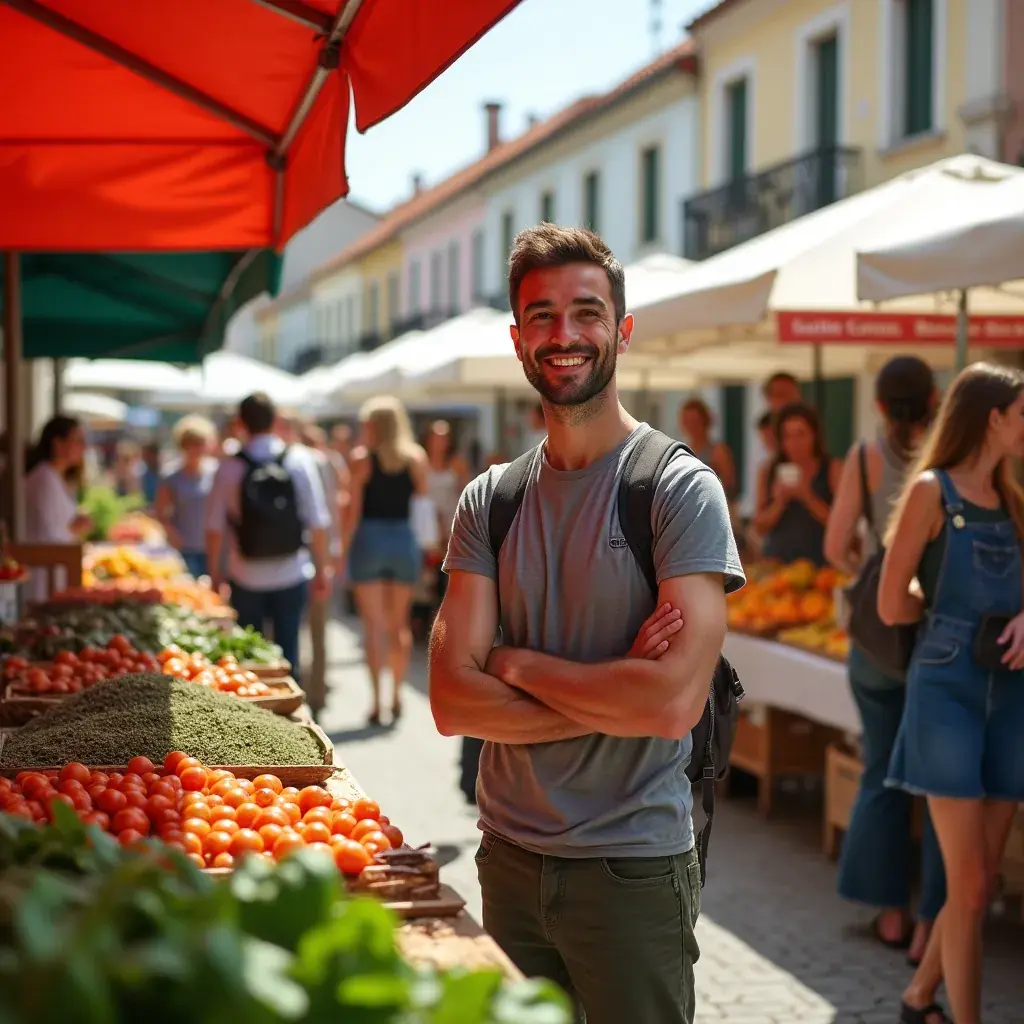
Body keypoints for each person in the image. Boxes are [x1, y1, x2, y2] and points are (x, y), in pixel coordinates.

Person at [429, 224, 744, 1024]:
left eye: (586, 313)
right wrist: (616, 689)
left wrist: (514, 662)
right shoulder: (489, 501)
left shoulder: (678, 490)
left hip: (632, 869)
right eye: (541, 316)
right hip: (507, 860)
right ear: (517, 339)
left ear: (622, 331)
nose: (563, 334)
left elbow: (671, 706)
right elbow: (452, 703)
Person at [879, 363, 1024, 1024]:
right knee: (967, 888)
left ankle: (918, 998)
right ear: (993, 418)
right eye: (1021, 414)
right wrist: (951, 623)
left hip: (1011, 696)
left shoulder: (1013, 499)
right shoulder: (931, 492)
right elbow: (891, 604)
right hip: (948, 693)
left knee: (980, 883)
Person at [823, 356, 944, 965]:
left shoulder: (866, 457)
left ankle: (889, 913)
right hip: (937, 632)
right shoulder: (952, 454)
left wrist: (871, 572)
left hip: (876, 637)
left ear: (877, 404)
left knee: (880, 771)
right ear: (935, 399)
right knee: (942, 785)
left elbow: (833, 544)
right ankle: (933, 925)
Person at [205, 392, 332, 682]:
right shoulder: (299, 459)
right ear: (275, 421)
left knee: (249, 657)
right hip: (292, 572)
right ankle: (291, 703)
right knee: (289, 653)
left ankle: (254, 705)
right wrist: (322, 570)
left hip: (244, 575)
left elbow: (214, 528)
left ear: (240, 423)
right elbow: (318, 522)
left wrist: (215, 573)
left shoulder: (229, 467)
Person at [344, 396, 429, 726]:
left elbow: (352, 512)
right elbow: (422, 502)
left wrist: (341, 553)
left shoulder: (361, 459)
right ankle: (396, 694)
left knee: (374, 628)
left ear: (374, 426)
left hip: (369, 540)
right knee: (399, 626)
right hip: (403, 540)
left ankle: (376, 701)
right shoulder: (416, 458)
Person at [754, 402, 841, 565]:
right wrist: (780, 502)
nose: (795, 442)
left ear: (814, 436)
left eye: (801, 434)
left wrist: (807, 496)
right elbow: (759, 528)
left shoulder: (832, 469)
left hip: (821, 565)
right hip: (777, 564)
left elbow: (840, 525)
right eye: (787, 436)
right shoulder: (768, 471)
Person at [23, 416, 92, 602]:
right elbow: (50, 536)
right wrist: (75, 527)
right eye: (78, 441)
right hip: (43, 577)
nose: (83, 448)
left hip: (52, 573)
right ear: (58, 443)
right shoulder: (44, 479)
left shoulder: (54, 477)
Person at [154, 415, 218, 579]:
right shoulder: (171, 476)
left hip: (214, 547)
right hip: (185, 548)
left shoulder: (216, 472)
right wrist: (172, 535)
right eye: (189, 444)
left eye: (199, 444)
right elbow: (160, 512)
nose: (194, 449)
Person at [423, 420, 470, 604]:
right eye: (436, 437)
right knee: (428, 571)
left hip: (452, 520)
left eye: (444, 438)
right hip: (428, 522)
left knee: (449, 567)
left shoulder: (457, 463)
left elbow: (467, 490)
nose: (440, 442)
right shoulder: (421, 462)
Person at [679, 397, 737, 496]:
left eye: (695, 421)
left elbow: (730, 486)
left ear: (705, 421)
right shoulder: (682, 452)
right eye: (687, 421)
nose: (691, 426)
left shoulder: (718, 452)